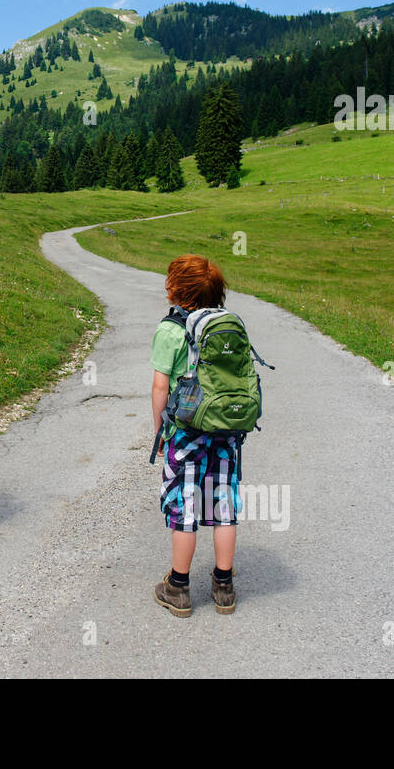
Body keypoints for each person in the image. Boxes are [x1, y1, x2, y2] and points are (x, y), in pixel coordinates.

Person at [149, 254, 241, 617]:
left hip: (185, 431)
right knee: (223, 504)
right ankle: (224, 585)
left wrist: (159, 430)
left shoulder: (170, 330)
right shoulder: (227, 323)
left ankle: (179, 587)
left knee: (185, 504)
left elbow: (159, 387)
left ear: (176, 289)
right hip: (226, 428)